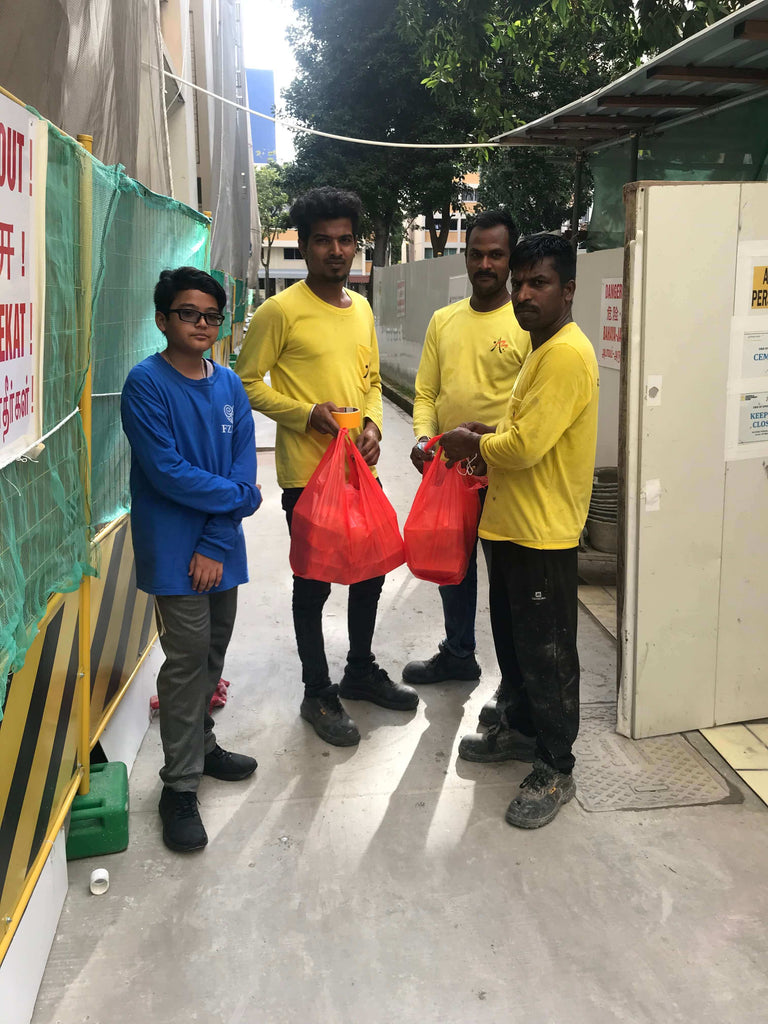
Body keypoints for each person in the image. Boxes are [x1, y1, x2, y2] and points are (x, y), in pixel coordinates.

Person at [237, 187, 418, 748]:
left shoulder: (361, 307)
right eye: (322, 241)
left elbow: (368, 381)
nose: (335, 251)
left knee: (370, 570)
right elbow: (244, 384)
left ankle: (359, 670)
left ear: (355, 246)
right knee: (313, 583)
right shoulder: (279, 311)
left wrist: (373, 426)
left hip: (355, 472)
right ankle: (317, 691)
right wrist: (304, 416)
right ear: (305, 245)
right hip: (306, 477)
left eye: (344, 240)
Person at [440, 234, 598, 829]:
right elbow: (521, 424)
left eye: (541, 283)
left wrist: (470, 441)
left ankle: (556, 766)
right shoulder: (541, 345)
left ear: (569, 290)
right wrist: (488, 431)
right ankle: (524, 731)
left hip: (541, 534)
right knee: (514, 644)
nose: (525, 293)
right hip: (509, 524)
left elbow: (526, 446)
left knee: (548, 653)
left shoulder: (565, 353)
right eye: (523, 282)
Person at [121, 267, 262, 854]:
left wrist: (215, 539)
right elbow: (166, 471)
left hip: (217, 548)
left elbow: (242, 464)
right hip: (174, 551)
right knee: (184, 665)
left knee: (212, 652)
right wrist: (232, 507)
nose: (202, 324)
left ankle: (201, 745)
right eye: (188, 314)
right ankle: (178, 787)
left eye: (211, 315)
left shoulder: (229, 385)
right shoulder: (145, 384)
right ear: (163, 320)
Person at [403, 209, 530, 687]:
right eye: (476, 253)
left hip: (504, 475)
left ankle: (512, 687)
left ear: (510, 261)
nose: (485, 264)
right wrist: (422, 437)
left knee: (507, 585)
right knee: (451, 570)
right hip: (451, 474)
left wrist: (487, 443)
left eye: (496, 255)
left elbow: (530, 409)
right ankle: (458, 654)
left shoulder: (525, 323)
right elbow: (426, 394)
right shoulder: (444, 321)